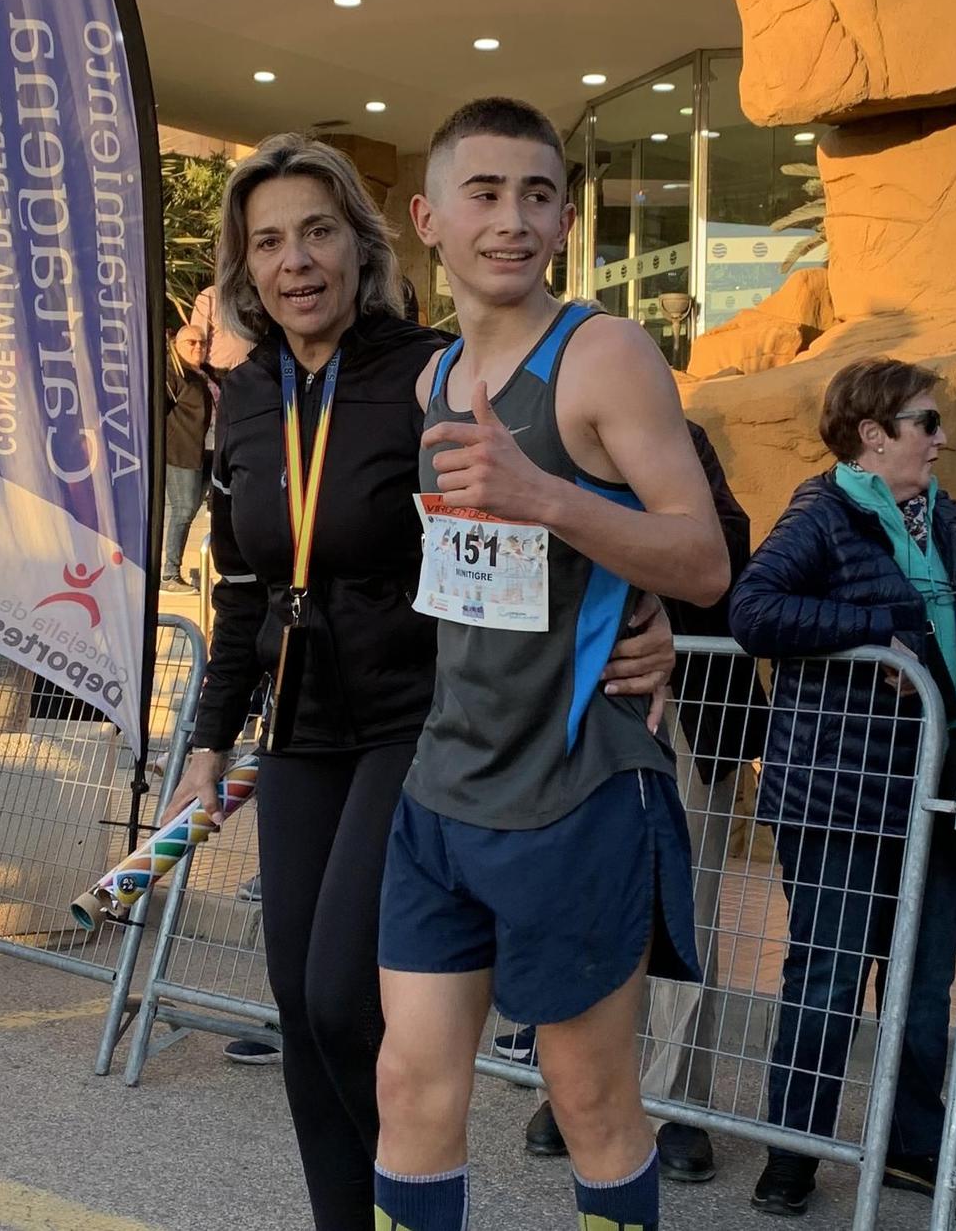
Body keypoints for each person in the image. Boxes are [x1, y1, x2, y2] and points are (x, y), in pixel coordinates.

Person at [161, 131, 677, 1230]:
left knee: (353, 1001)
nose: (295, 261)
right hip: (299, 724)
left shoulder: (429, 368)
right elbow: (243, 582)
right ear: (242, 268)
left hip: (419, 719)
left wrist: (654, 612)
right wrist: (210, 737)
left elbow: (656, 506)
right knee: (302, 1005)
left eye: (316, 233)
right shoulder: (242, 396)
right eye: (267, 243)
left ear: (364, 243)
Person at [372, 97, 727, 1231]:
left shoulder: (603, 354)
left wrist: (547, 499)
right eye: (483, 194)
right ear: (428, 219)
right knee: (409, 1087)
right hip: (444, 784)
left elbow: (704, 558)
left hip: (575, 788)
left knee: (588, 1102)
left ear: (565, 219)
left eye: (535, 195)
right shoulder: (431, 385)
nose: (510, 220)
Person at [726, 356, 956, 1216]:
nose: (942, 438)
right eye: (926, 423)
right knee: (829, 980)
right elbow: (753, 611)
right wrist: (877, 631)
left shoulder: (949, 525)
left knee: (923, 991)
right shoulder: (822, 511)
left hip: (940, 791)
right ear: (872, 434)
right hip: (840, 795)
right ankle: (796, 1156)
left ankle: (914, 1150)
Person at [517, 418, 759, 1185]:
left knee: (687, 905)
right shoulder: (535, 436)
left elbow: (719, 548)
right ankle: (575, 1085)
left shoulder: (675, 437)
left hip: (691, 704)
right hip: (576, 700)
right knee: (576, 893)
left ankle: (679, 1101)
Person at [159, 323, 217, 593]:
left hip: (207, 454)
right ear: (176, 345)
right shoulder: (172, 374)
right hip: (180, 454)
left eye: (202, 343)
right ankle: (170, 574)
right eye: (191, 343)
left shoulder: (201, 374)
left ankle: (179, 570)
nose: (198, 348)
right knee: (183, 510)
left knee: (191, 511)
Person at [188, 280, 257, 378]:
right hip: (219, 377)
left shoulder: (252, 297)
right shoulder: (209, 296)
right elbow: (195, 341)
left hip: (251, 376)